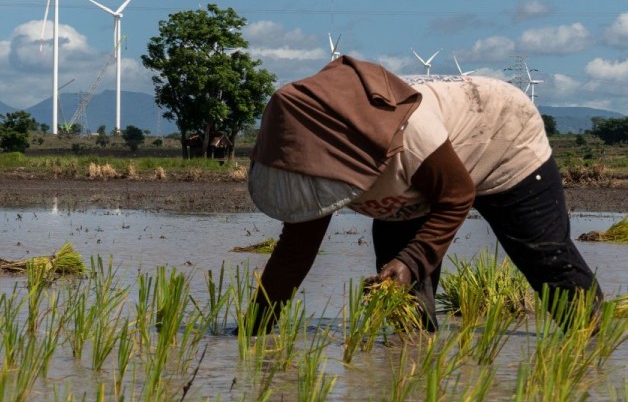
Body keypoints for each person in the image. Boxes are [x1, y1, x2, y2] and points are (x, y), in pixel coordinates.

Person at [245, 55, 603, 332]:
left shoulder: (410, 133)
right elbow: (295, 251)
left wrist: (413, 259)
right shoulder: (313, 155)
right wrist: (251, 332)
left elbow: (457, 196)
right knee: (399, 295)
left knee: (545, 258)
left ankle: (594, 343)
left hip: (500, 136)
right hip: (411, 188)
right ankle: (412, 370)